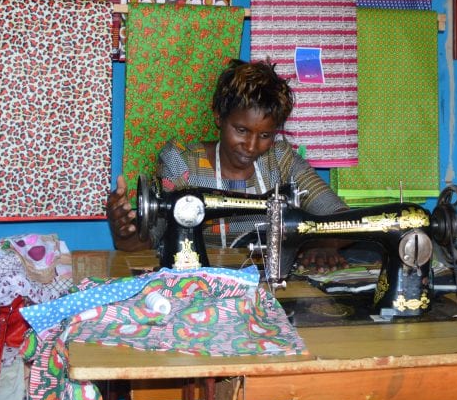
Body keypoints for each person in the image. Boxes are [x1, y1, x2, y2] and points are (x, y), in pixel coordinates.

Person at [107, 58, 348, 271]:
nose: (252, 146)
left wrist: (324, 244)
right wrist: (124, 232)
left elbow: (343, 217)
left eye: (265, 136)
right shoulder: (182, 164)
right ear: (219, 117)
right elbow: (145, 242)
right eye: (242, 130)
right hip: (197, 291)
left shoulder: (281, 161)